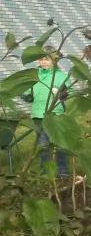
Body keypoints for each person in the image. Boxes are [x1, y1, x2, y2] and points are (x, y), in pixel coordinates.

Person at [24, 49, 69, 177]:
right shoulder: (34, 75)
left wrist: (64, 93)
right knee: (43, 145)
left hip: (56, 115)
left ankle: (62, 171)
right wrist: (27, 96)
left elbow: (67, 90)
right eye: (40, 59)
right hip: (39, 115)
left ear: (54, 61)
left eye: (46, 59)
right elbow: (28, 91)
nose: (43, 62)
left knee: (60, 144)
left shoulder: (61, 76)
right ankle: (46, 171)